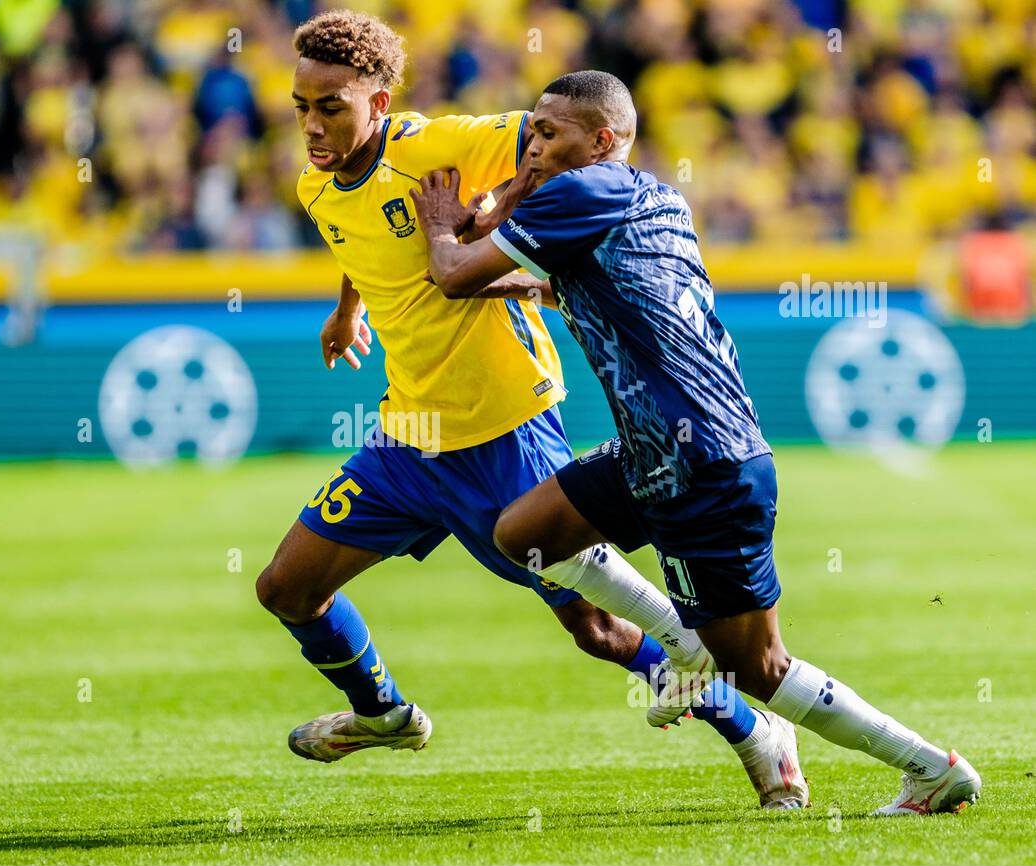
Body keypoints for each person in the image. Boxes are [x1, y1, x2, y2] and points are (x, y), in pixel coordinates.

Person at [254, 12, 804, 809]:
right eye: (300, 105)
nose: (311, 123)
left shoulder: (436, 145)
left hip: (506, 429)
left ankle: (759, 732)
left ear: (379, 98)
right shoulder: (315, 181)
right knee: (285, 588)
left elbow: (567, 149)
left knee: (599, 628)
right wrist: (348, 310)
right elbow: (358, 234)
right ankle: (384, 716)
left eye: (330, 106)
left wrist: (499, 205)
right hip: (408, 438)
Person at [413, 69, 979, 815]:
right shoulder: (655, 198)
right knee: (525, 532)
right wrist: (514, 217)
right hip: (663, 450)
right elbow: (557, 286)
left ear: (602, 141)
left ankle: (930, 768)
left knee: (758, 669)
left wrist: (441, 223)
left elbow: (453, 276)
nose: (533, 144)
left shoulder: (579, 193)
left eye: (550, 133)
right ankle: (686, 649)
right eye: (533, 130)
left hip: (700, 463)